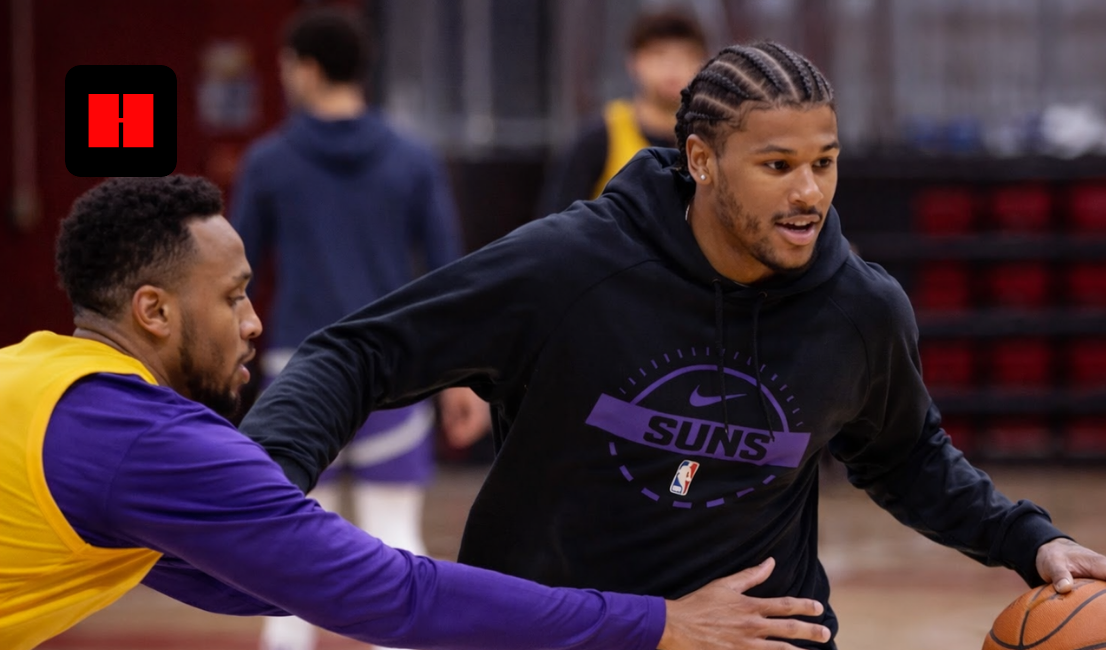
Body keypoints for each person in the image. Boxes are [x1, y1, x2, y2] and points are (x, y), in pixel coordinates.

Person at [241, 42, 1106, 649]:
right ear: (700, 160)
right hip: (558, 629)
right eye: (777, 166)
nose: (810, 191)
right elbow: (353, 352)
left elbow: (909, 456)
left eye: (825, 161)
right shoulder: (569, 268)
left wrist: (1034, 542)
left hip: (766, 637)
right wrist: (261, 482)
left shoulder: (860, 309)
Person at [0, 175, 828, 650]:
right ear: (153, 312)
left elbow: (238, 582)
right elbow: (394, 595)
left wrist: (550, 595)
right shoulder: (145, 446)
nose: (254, 320)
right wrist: (657, 622)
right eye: (234, 296)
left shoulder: (35, 376)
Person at [230, 9, 489, 648]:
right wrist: (466, 377)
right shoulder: (413, 157)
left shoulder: (269, 161)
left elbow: (231, 275)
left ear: (309, 69)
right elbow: (453, 274)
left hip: (295, 372)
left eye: (289, 64)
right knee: (394, 540)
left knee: (286, 557)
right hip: (391, 373)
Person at [537, 7, 708, 216]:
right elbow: (555, 222)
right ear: (634, 62)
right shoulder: (598, 138)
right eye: (659, 54)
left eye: (686, 56)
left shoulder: (712, 138)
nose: (672, 67)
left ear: (703, 64)